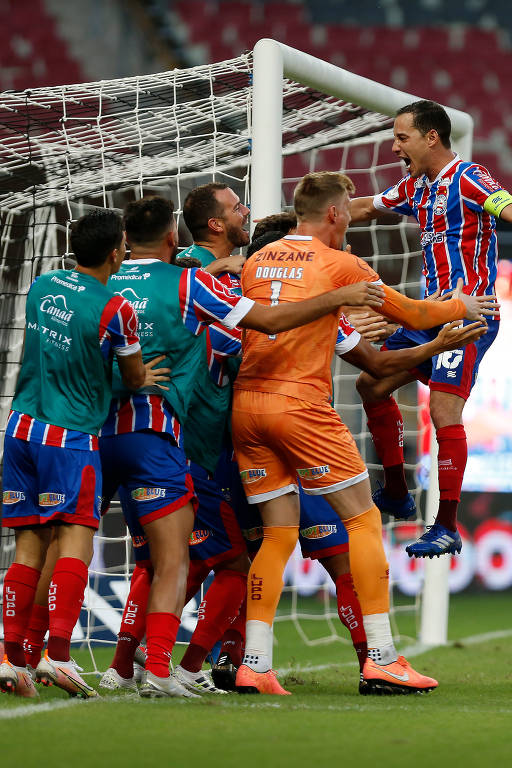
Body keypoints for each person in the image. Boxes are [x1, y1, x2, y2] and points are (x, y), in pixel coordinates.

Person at [97, 194, 386, 699]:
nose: (244, 211)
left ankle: (201, 660)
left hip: (193, 437)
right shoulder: (203, 281)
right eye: (235, 206)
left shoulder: (187, 274)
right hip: (226, 445)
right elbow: (258, 340)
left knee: (236, 555)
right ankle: (181, 661)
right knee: (253, 555)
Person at [231, 171, 498, 695]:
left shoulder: (258, 261)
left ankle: (254, 665)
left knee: (278, 533)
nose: (353, 215)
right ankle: (381, 657)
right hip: (300, 406)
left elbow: (368, 356)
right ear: (333, 213)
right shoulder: (342, 264)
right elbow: (414, 311)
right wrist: (460, 307)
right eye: (349, 208)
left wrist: (425, 341)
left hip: (247, 408)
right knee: (363, 521)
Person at [0, 209, 152, 699]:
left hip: (21, 428)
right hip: (69, 439)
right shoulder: (116, 309)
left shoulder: (44, 287)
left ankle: (10, 656)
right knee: (76, 541)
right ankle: (59, 656)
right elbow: (131, 378)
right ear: (115, 253)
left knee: (27, 547)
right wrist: (143, 377)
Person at [349, 99, 511, 557]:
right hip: (430, 313)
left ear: (431, 137)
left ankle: (445, 525)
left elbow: (507, 205)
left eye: (402, 137)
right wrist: (304, 219)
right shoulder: (417, 187)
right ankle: (398, 492)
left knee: (442, 410)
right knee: (370, 382)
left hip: (469, 316)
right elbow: (364, 208)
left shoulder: (470, 178)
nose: (394, 145)